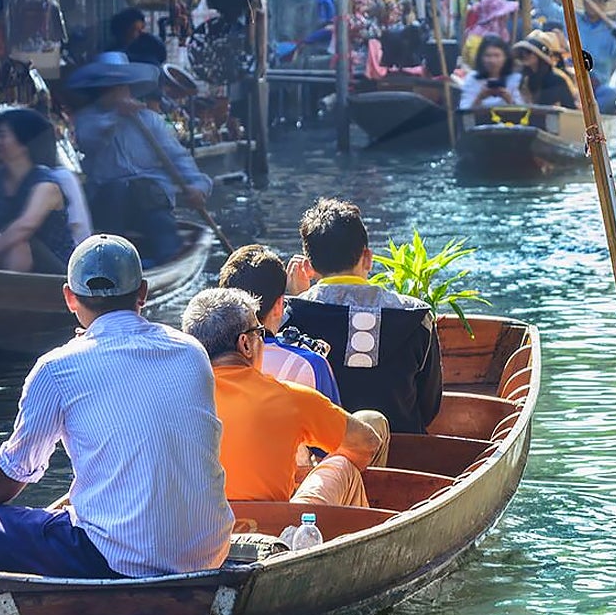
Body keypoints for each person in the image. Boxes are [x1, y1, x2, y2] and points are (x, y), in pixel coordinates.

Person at [0, 235, 234, 578]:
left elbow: (18, 467)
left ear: (70, 298)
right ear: (142, 292)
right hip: (209, 551)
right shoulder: (191, 351)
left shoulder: (57, 368)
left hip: (120, 560)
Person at [181, 288, 387, 507]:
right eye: (260, 332)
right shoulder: (290, 398)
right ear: (246, 344)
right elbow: (367, 444)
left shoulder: (172, 400)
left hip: (197, 531)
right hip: (275, 530)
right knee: (347, 467)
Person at [283, 198, 443, 434]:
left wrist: (299, 299)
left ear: (308, 267)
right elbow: (429, 406)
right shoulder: (416, 316)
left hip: (324, 456)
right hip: (405, 448)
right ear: (367, 257)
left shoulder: (291, 317)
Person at [70, 53, 211, 266]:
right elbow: (89, 140)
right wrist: (115, 115)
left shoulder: (150, 120)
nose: (117, 93)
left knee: (148, 192)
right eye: (110, 88)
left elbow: (177, 158)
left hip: (150, 202)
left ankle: (167, 256)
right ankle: (110, 261)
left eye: (120, 87)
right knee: (117, 189)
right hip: (109, 204)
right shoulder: (87, 120)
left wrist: (198, 186)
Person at [218, 244, 340, 402]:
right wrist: (299, 298)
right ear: (279, 305)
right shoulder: (311, 365)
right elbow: (335, 425)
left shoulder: (205, 362)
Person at [0, 107, 76, 273]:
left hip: (56, 273)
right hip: (10, 261)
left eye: (2, 136)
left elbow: (25, 226)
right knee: (0, 241)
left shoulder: (46, 184)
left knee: (16, 244)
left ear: (24, 143)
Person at [512, 33, 577, 109]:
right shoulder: (524, 77)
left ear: (539, 56)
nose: (524, 55)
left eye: (529, 52)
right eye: (523, 52)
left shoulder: (556, 80)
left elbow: (569, 109)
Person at [460, 33, 522, 109]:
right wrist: (480, 98)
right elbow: (464, 111)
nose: (492, 61)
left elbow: (524, 111)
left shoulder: (515, 79)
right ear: (481, 57)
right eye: (488, 56)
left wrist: (508, 99)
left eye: (497, 55)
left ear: (505, 57)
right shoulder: (472, 78)